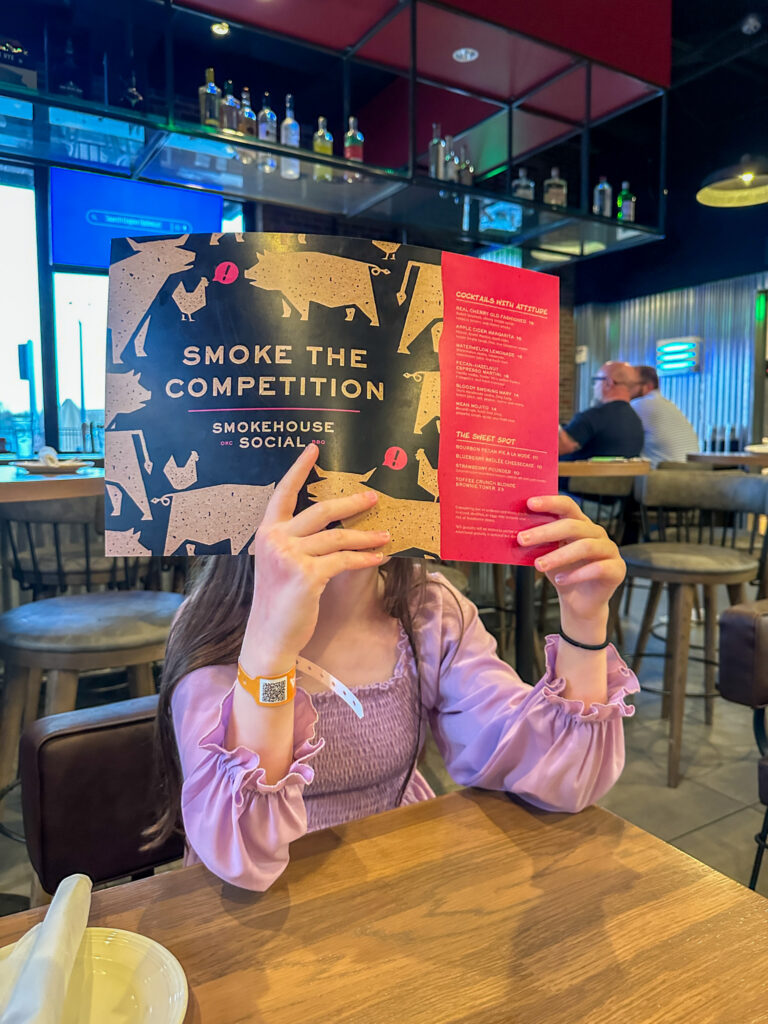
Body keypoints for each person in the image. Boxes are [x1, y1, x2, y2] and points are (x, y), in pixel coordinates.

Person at [148, 443, 638, 891]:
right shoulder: (213, 626)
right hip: (253, 914)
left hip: (400, 874)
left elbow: (557, 778)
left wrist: (584, 621)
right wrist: (269, 650)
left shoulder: (429, 611)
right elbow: (240, 851)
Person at [559, 361, 644, 461]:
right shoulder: (636, 422)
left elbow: (557, 447)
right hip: (620, 477)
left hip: (579, 476)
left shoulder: (593, 418)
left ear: (609, 383)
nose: (594, 386)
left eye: (596, 380)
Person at [630, 365, 699, 466]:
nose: (626, 390)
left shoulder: (641, 404)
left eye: (630, 385)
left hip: (665, 476)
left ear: (648, 386)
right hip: (692, 474)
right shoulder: (667, 405)